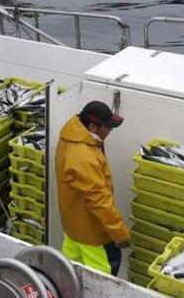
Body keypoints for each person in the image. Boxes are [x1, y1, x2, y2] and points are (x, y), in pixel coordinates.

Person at [56, 101, 131, 276]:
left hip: (72, 228)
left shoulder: (69, 137)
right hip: (93, 236)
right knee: (102, 283)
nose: (110, 131)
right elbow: (99, 200)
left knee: (70, 275)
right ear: (92, 127)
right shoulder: (84, 156)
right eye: (108, 127)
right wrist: (119, 233)